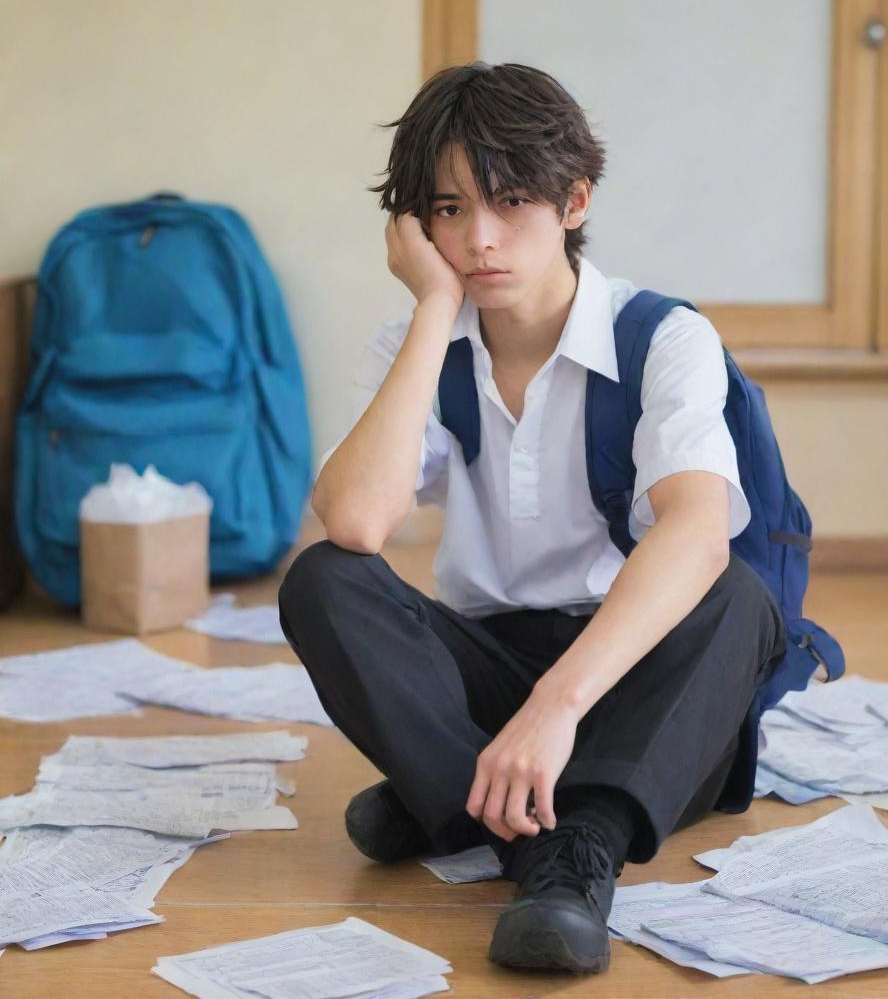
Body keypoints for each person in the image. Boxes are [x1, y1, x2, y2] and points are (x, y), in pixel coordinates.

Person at [278, 61, 786, 975]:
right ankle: (525, 814)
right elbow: (354, 523)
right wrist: (434, 309)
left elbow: (696, 530)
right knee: (323, 581)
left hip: (633, 678)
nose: (480, 240)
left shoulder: (663, 337)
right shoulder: (415, 347)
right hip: (493, 663)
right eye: (446, 211)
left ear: (575, 201)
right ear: (415, 226)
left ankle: (550, 838)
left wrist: (558, 706)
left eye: (512, 203)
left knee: (736, 594)